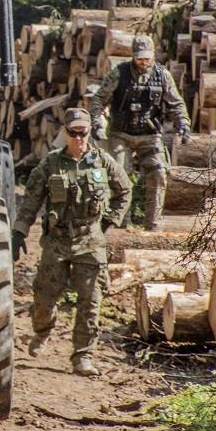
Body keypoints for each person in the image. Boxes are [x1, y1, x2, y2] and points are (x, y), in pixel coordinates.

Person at [12, 108, 132, 377]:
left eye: (83, 133)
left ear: (90, 133)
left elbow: (125, 190)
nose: (79, 138)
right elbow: (31, 201)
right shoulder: (51, 163)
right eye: (73, 133)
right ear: (64, 132)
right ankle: (42, 331)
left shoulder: (102, 160)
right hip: (57, 240)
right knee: (44, 299)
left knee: (91, 300)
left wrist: (110, 221)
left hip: (90, 240)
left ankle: (83, 356)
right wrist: (19, 231)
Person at [89, 35, 191, 231]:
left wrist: (183, 124)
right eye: (139, 58)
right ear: (133, 57)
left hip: (150, 135)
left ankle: (153, 223)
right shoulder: (119, 73)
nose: (143, 62)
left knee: (159, 172)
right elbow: (99, 99)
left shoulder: (162, 75)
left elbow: (176, 103)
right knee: (120, 174)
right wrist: (96, 122)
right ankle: (121, 222)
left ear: (153, 57)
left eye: (147, 58)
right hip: (121, 134)